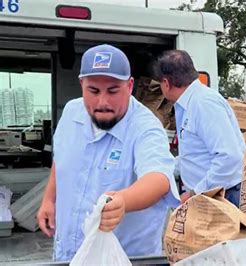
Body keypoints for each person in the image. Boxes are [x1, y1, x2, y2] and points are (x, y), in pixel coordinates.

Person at [37, 44, 180, 261]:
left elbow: (158, 179)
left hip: (122, 258)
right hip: (69, 254)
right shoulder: (71, 113)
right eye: (93, 91)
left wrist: (124, 200)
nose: (102, 102)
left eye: (113, 91)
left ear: (130, 85)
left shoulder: (145, 127)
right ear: (81, 84)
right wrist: (49, 199)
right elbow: (63, 158)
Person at [151, 50, 245, 206]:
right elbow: (193, 156)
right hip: (211, 196)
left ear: (166, 83)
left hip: (223, 197)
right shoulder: (189, 104)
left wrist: (196, 193)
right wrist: (161, 168)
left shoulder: (203, 104)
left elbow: (229, 157)